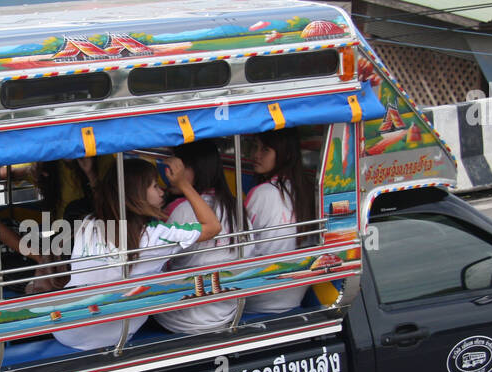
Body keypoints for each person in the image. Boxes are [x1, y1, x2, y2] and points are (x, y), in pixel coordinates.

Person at [54, 157, 221, 351]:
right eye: (154, 186)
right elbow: (212, 226)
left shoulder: (89, 224)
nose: (162, 191)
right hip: (112, 335)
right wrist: (183, 184)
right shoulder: (157, 235)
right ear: (137, 194)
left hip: (66, 329)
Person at [154, 140, 240, 335]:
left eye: (175, 168)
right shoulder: (235, 207)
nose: (168, 175)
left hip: (184, 319)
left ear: (192, 170)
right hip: (227, 313)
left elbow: (158, 264)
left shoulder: (179, 210)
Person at [243, 129, 316, 313]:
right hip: (294, 294)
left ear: (285, 154)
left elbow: (240, 246)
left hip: (259, 296)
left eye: (265, 150)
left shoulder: (263, 193)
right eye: (255, 147)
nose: (256, 155)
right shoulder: (307, 191)